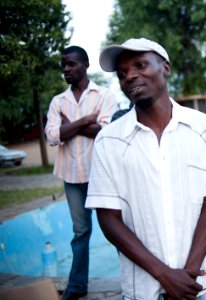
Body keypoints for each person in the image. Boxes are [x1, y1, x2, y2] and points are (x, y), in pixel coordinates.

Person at [86, 38, 206, 300]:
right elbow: (109, 219)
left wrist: (186, 276)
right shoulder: (108, 140)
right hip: (143, 290)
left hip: (201, 285)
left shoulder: (204, 129)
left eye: (140, 65)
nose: (130, 76)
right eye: (122, 74)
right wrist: (164, 275)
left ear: (165, 68)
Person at [45, 46, 117, 300]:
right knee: (81, 232)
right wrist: (87, 121)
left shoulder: (104, 95)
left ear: (85, 65)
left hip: (101, 175)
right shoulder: (58, 101)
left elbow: (107, 131)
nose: (66, 69)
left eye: (71, 64)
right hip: (72, 178)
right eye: (63, 65)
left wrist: (70, 126)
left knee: (117, 230)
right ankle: (77, 287)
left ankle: (135, 283)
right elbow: (53, 136)